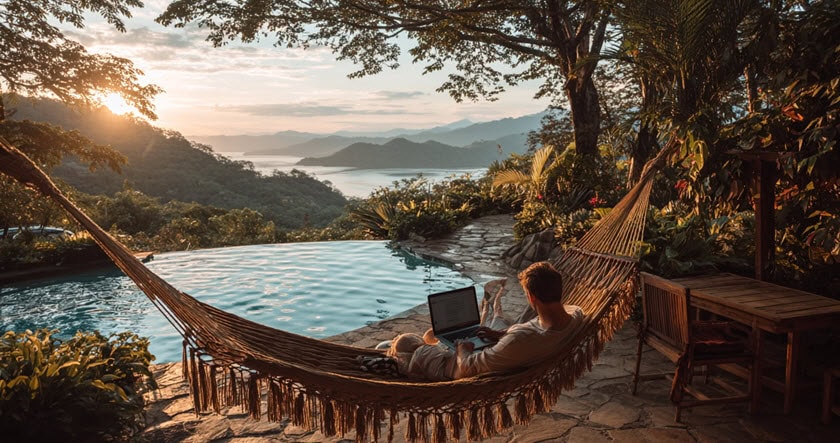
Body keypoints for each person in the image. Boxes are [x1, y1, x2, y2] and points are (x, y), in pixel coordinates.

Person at [371, 261, 584, 380]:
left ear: (532, 298)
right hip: (494, 349)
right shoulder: (575, 317)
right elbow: (527, 337)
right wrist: (498, 334)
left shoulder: (520, 340)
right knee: (430, 335)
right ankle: (419, 345)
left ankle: (396, 355)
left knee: (406, 343)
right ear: (559, 289)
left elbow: (468, 368)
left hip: (453, 367)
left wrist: (463, 348)